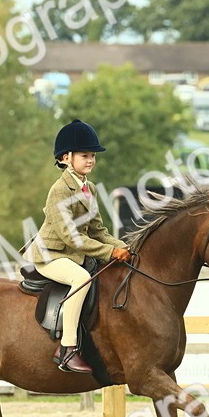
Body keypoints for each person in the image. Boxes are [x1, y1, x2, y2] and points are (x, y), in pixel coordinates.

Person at [25, 119, 133, 373]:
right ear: (66, 158)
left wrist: (126, 247)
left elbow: (98, 231)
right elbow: (70, 238)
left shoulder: (89, 188)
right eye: (85, 155)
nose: (91, 160)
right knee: (81, 279)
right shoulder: (59, 190)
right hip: (51, 255)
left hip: (72, 254)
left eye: (93, 155)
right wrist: (110, 252)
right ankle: (67, 349)